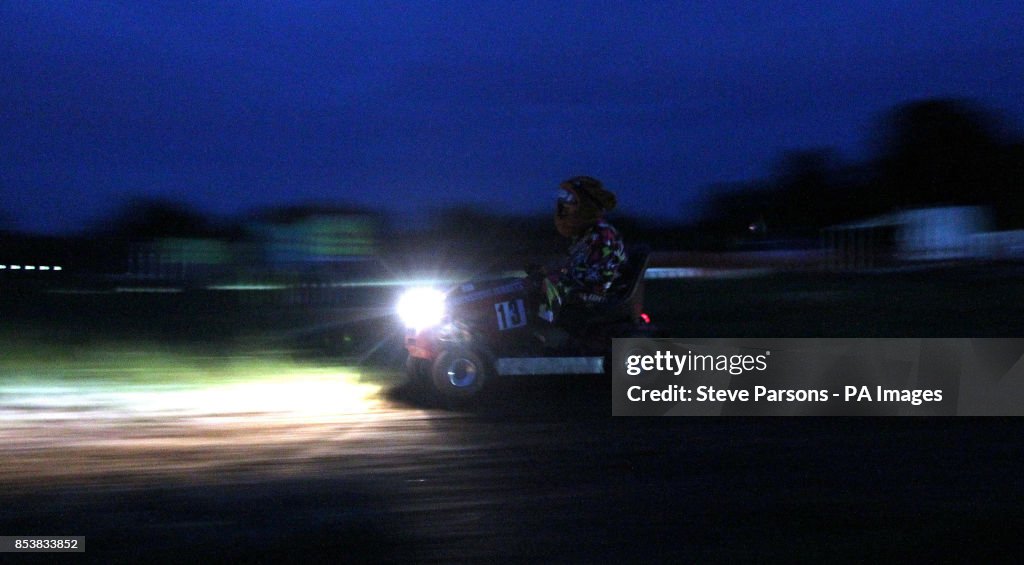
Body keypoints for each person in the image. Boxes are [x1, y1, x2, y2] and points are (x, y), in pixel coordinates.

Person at [537, 175, 627, 329]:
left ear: (585, 204)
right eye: (562, 198)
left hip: (599, 295)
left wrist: (558, 273)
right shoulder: (584, 235)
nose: (564, 204)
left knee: (550, 283)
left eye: (570, 199)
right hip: (582, 289)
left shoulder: (603, 234)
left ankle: (543, 331)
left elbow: (599, 275)